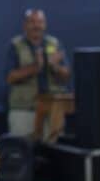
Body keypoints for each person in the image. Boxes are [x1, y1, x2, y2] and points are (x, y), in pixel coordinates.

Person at [5, 9, 70, 137]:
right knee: (22, 147)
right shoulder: (16, 45)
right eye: (32, 22)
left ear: (45, 24)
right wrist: (36, 67)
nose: (37, 26)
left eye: (40, 22)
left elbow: (66, 76)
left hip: (52, 108)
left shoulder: (54, 44)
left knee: (54, 147)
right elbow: (10, 77)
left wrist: (55, 66)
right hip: (24, 108)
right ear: (25, 25)